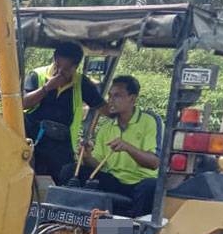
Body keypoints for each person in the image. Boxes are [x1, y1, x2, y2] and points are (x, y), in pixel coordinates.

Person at [62, 76, 161, 218]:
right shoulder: (106, 128)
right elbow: (99, 165)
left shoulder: (150, 121)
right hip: (114, 180)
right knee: (70, 171)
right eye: (110, 95)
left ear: (132, 99)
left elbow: (154, 163)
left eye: (117, 96)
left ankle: (134, 233)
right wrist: (87, 156)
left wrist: (127, 147)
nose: (110, 100)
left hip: (140, 183)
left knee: (151, 186)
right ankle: (71, 223)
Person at [23, 42, 107, 182]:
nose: (60, 73)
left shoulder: (81, 83)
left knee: (61, 182)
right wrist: (47, 88)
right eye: (57, 66)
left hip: (62, 149)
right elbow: (23, 103)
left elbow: (102, 107)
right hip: (33, 144)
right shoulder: (37, 76)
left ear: (76, 67)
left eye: (66, 69)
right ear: (54, 60)